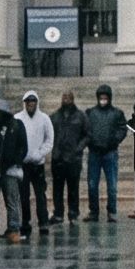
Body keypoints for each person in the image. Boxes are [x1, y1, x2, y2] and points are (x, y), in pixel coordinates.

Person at [83, 86, 128, 222]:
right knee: (92, 184)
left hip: (110, 152)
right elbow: (85, 129)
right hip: (95, 152)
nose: (103, 100)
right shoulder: (90, 113)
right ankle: (93, 211)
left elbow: (122, 129)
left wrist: (115, 141)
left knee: (112, 185)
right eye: (101, 97)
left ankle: (112, 211)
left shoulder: (117, 113)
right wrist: (90, 142)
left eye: (105, 97)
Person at [0, 101, 31, 242]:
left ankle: (13, 228)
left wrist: (16, 161)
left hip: (10, 169)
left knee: (12, 200)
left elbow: (23, 146)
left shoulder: (16, 125)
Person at [19, 90, 55, 233]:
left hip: (38, 164)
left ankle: (43, 221)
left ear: (37, 103)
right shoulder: (18, 118)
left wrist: (40, 153)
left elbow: (49, 140)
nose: (30, 104)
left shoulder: (45, 119)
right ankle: (25, 221)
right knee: (24, 195)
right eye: (28, 102)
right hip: (23, 164)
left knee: (40, 194)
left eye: (33, 102)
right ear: (25, 103)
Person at [51, 91, 88, 224]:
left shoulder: (81, 116)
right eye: (64, 97)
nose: (65, 99)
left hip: (73, 159)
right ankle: (58, 213)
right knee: (57, 188)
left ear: (72, 99)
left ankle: (73, 213)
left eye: (68, 97)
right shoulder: (55, 116)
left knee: (73, 188)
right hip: (58, 158)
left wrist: (78, 149)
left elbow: (87, 135)